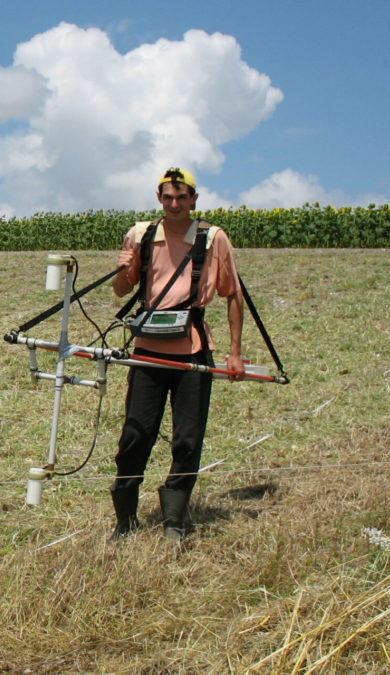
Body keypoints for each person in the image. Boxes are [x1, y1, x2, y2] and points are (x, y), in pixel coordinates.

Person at [109, 168, 245, 541]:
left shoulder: (213, 238)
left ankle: (174, 523)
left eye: (181, 197)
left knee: (187, 440)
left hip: (194, 352)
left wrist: (234, 353)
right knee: (135, 436)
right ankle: (125, 521)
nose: (174, 204)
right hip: (147, 352)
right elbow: (121, 290)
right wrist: (123, 268)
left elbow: (234, 295)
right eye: (167, 197)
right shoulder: (140, 234)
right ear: (159, 198)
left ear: (194, 200)